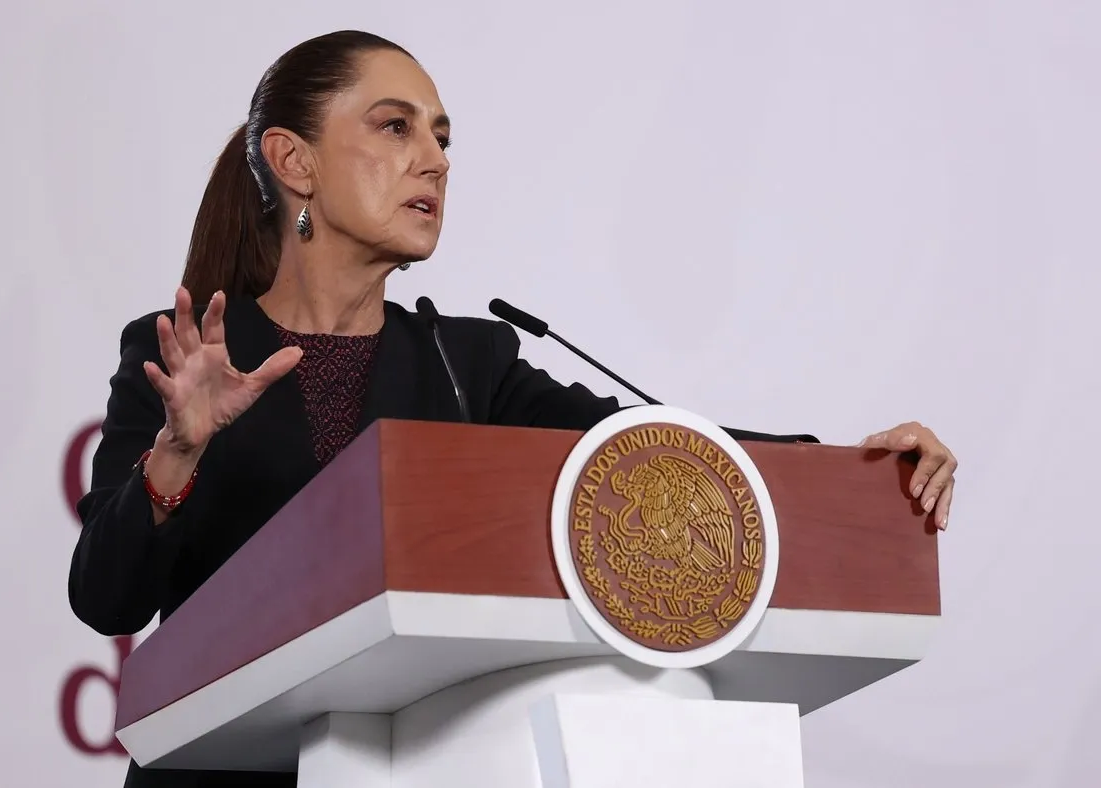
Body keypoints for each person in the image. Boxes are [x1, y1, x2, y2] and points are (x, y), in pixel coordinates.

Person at [68, 30, 959, 788]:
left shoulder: (467, 365)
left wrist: (853, 466)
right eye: (395, 126)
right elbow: (106, 599)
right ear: (294, 160)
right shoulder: (181, 357)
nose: (436, 159)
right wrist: (177, 455)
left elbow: (648, 447)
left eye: (443, 137)